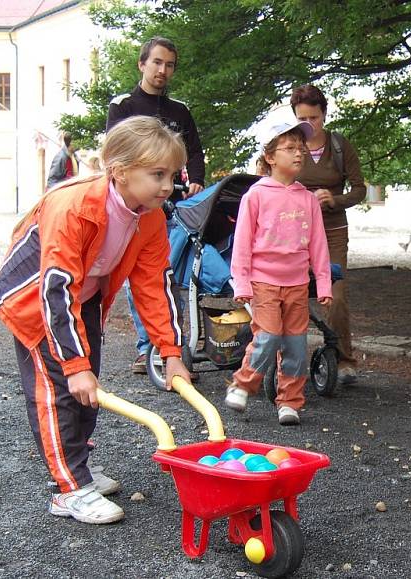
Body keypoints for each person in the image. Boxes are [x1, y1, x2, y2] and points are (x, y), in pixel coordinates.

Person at [0, 116, 191, 524]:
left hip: (83, 300)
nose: (168, 186)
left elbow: (153, 284)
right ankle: (69, 488)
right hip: (37, 302)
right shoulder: (74, 205)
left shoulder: (149, 215)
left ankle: (77, 463)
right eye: (157, 174)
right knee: (60, 390)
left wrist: (170, 352)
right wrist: (74, 365)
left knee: (87, 388)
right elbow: (55, 289)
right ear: (119, 171)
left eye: (172, 175)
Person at [106, 36, 206, 374]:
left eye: (170, 65)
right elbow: (117, 153)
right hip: (137, 208)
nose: (163, 70)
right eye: (157, 62)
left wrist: (196, 180)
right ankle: (146, 346)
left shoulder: (179, 110)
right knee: (141, 274)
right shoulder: (123, 106)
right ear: (142, 64)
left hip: (176, 206)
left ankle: (170, 344)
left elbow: (194, 152)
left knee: (169, 274)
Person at [225, 121, 333, 425]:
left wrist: (323, 282)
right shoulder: (255, 196)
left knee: (296, 344)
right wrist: (242, 282)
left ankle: (290, 402)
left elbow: (319, 246)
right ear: (271, 157)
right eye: (289, 148)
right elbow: (242, 244)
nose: (298, 153)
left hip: (297, 284)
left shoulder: (308, 199)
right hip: (264, 282)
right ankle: (243, 383)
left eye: (301, 148)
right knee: (269, 336)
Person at [291, 84, 366, 386]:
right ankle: (288, 362)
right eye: (302, 118)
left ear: (324, 114)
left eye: (314, 118)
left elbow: (360, 189)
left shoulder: (339, 145)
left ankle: (344, 359)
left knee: (335, 297)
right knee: (289, 294)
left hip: (333, 229)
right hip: (294, 232)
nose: (309, 124)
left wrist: (334, 200)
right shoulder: (288, 144)